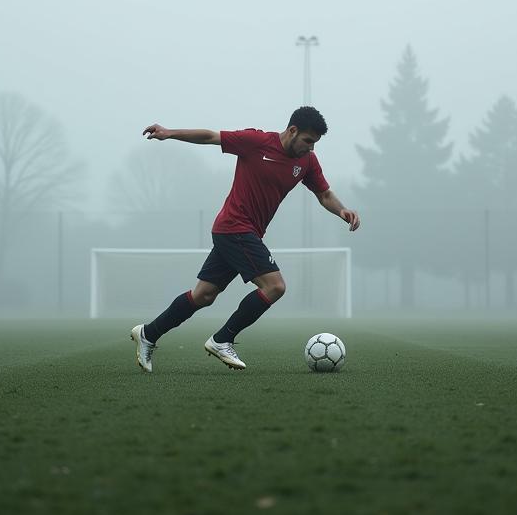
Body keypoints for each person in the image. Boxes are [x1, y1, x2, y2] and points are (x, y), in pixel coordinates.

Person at [131, 106, 360, 372]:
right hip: (235, 227)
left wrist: (342, 210)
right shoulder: (256, 142)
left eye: (315, 144)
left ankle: (148, 333)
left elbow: (324, 194)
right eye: (308, 141)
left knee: (203, 295)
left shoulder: (307, 161)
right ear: (293, 131)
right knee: (275, 286)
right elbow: (210, 136)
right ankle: (222, 339)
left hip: (237, 232)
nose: (311, 148)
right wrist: (169, 133)